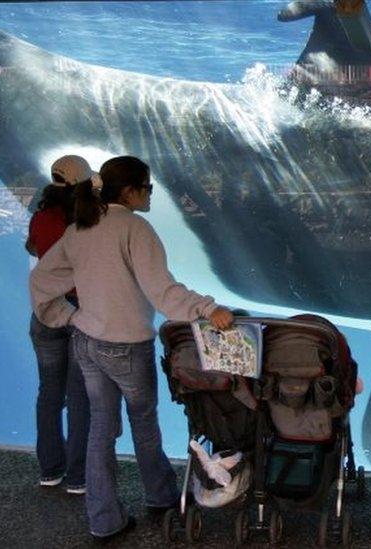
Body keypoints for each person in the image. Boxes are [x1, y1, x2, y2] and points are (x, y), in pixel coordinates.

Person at [29, 155, 235, 542]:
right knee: (143, 423)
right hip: (126, 347)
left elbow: (41, 280)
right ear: (130, 190)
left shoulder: (80, 228)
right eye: (148, 188)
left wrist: (69, 316)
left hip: (87, 343)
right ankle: (160, 497)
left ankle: (103, 520)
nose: (151, 195)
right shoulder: (135, 229)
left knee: (99, 431)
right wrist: (209, 309)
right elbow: (163, 292)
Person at [26, 154, 93, 495]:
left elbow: (35, 248)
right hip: (81, 311)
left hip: (46, 311)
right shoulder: (85, 223)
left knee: (49, 394)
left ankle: (50, 469)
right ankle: (79, 476)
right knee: (80, 395)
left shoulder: (39, 217)